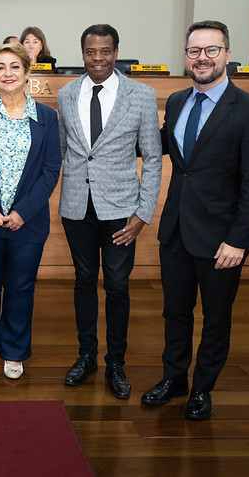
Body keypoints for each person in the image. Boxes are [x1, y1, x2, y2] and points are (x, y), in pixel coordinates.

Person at [141, 20, 249, 420]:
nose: (202, 58)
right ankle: (175, 377)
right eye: (194, 51)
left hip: (221, 239)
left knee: (216, 317)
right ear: (186, 56)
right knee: (175, 312)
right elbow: (164, 147)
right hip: (177, 231)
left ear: (227, 55)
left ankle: (202, 388)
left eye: (211, 50)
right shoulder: (179, 101)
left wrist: (239, 240)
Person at [57, 24, 162, 399]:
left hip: (122, 210)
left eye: (104, 51)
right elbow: (64, 150)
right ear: (82, 53)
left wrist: (143, 212)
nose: (97, 59)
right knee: (84, 281)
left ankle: (115, 361)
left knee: (117, 286)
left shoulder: (142, 95)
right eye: (90, 52)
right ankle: (86, 356)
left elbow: (152, 157)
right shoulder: (67, 94)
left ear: (116, 52)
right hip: (76, 207)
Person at [0, 43, 61, 379]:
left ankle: (15, 351)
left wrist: (23, 211)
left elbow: (50, 171)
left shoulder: (47, 117)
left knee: (21, 288)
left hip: (28, 222)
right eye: (1, 67)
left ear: (27, 72)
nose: (8, 73)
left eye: (14, 67)